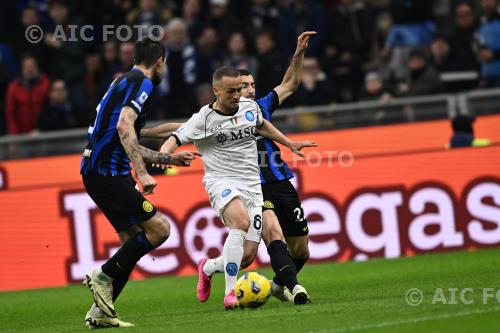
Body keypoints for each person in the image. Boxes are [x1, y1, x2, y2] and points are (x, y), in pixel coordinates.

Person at [141, 32, 317, 305]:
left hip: (275, 181)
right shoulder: (211, 115)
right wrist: (145, 135)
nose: (247, 90)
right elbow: (180, 128)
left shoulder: (257, 108)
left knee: (291, 251)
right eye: (241, 86)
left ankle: (234, 274)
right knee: (273, 233)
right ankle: (292, 290)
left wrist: (298, 54)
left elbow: (290, 85)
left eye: (250, 85)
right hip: (243, 183)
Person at [80, 38, 199, 328]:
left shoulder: (122, 83)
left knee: (132, 242)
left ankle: (100, 314)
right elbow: (124, 128)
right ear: (160, 61)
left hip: (99, 172)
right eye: (165, 64)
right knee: (160, 229)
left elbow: (131, 136)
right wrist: (143, 172)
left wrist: (174, 150)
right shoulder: (141, 84)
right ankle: (103, 276)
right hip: (109, 174)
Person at [5, 54, 49, 135]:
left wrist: (41, 128)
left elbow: (49, 109)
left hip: (42, 133)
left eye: (32, 65)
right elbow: (10, 113)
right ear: (22, 68)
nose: (30, 69)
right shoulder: (14, 87)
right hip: (21, 134)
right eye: (27, 66)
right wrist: (14, 134)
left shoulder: (45, 83)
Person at [476, 0, 500, 87]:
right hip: (486, 77)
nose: (487, 3)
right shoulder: (481, 24)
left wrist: (494, 55)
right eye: (484, 1)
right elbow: (480, 46)